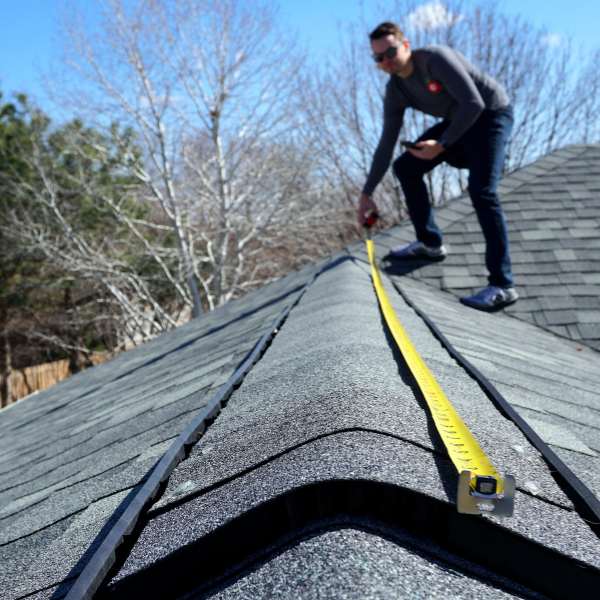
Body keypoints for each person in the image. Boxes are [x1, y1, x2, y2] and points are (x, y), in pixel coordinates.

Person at [357, 21, 517, 311]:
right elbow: (385, 144)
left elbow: (473, 103)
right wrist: (366, 193)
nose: (386, 61)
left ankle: (502, 286)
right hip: (456, 123)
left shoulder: (435, 59)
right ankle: (429, 243)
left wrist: (441, 144)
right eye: (378, 58)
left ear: (406, 45)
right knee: (405, 167)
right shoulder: (395, 90)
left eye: (390, 52)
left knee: (482, 193)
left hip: (490, 115)